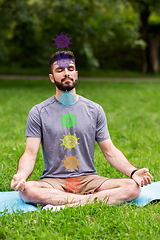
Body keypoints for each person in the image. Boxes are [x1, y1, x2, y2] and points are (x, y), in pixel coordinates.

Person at [11, 51, 153, 208]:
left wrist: (133, 172)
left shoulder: (95, 110)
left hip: (88, 180)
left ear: (76, 74)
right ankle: (89, 202)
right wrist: (21, 176)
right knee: (28, 190)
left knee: (132, 187)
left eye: (70, 69)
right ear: (52, 78)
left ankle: (64, 205)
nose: (66, 73)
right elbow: (30, 153)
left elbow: (110, 151)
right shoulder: (38, 112)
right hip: (54, 181)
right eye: (60, 70)